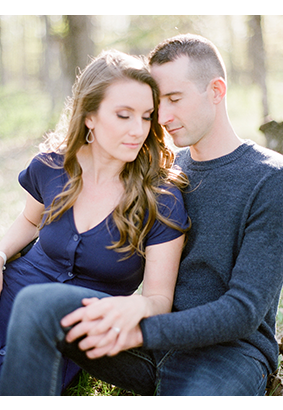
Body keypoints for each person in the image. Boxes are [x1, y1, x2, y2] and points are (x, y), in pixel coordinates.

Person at [0, 34, 283, 396]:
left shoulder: (273, 178)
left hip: (224, 354)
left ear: (216, 90)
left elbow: (243, 312)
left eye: (174, 99)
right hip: (144, 343)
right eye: (159, 103)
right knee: (37, 304)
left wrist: (139, 323)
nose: (162, 117)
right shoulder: (166, 172)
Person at [0, 50, 188, 391]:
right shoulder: (52, 166)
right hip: (11, 292)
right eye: (123, 115)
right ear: (89, 115)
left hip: (72, 326)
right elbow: (29, 223)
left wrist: (133, 308)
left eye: (146, 117)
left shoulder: (160, 198)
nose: (138, 130)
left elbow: (159, 300)